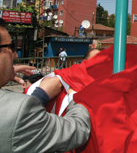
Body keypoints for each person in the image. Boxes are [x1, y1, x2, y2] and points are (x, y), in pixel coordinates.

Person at [0, 19, 91, 152]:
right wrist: (74, 95)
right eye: (11, 47)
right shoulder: (19, 110)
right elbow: (77, 131)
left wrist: (8, 70)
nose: (15, 55)